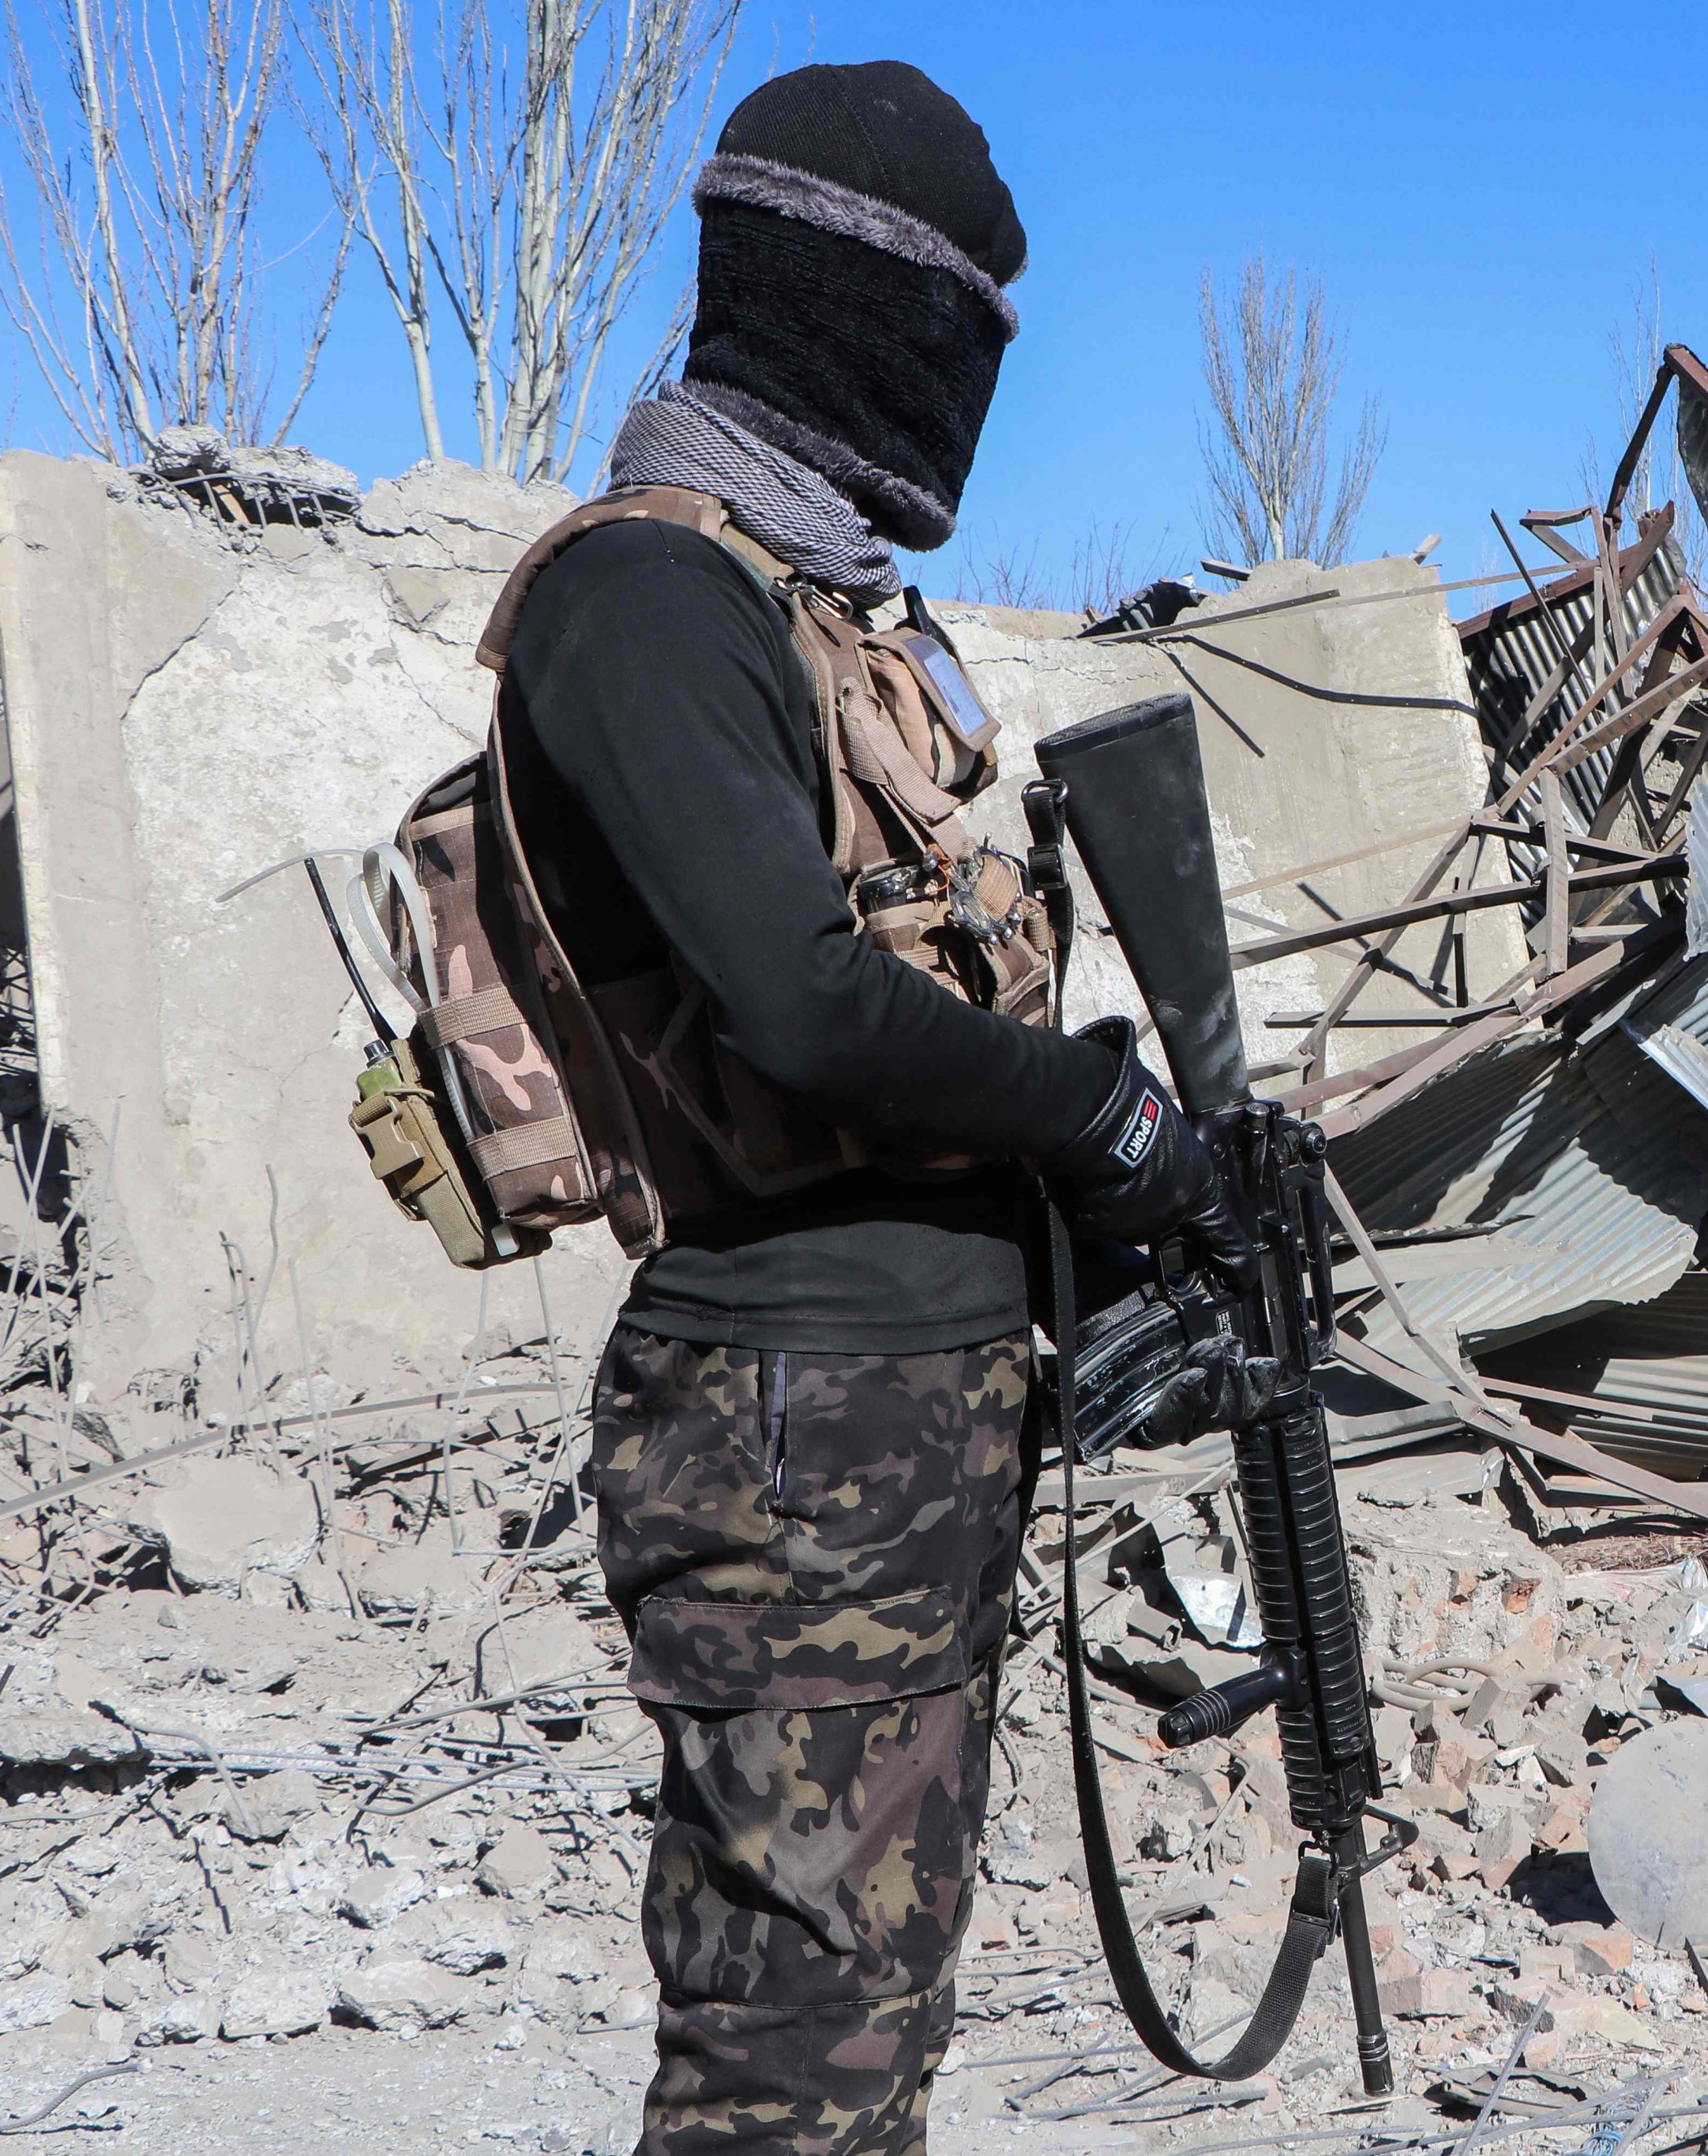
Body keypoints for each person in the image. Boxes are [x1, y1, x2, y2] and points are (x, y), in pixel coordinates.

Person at [491, 61, 1243, 2156]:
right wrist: (1095, 1122)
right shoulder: (645, 600)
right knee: (787, 2058)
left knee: (871, 2021)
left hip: (892, 1421)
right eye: (956, 335)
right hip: (790, 1423)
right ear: (861, 308)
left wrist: (1106, 1217)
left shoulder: (805, 603)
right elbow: (809, 1011)